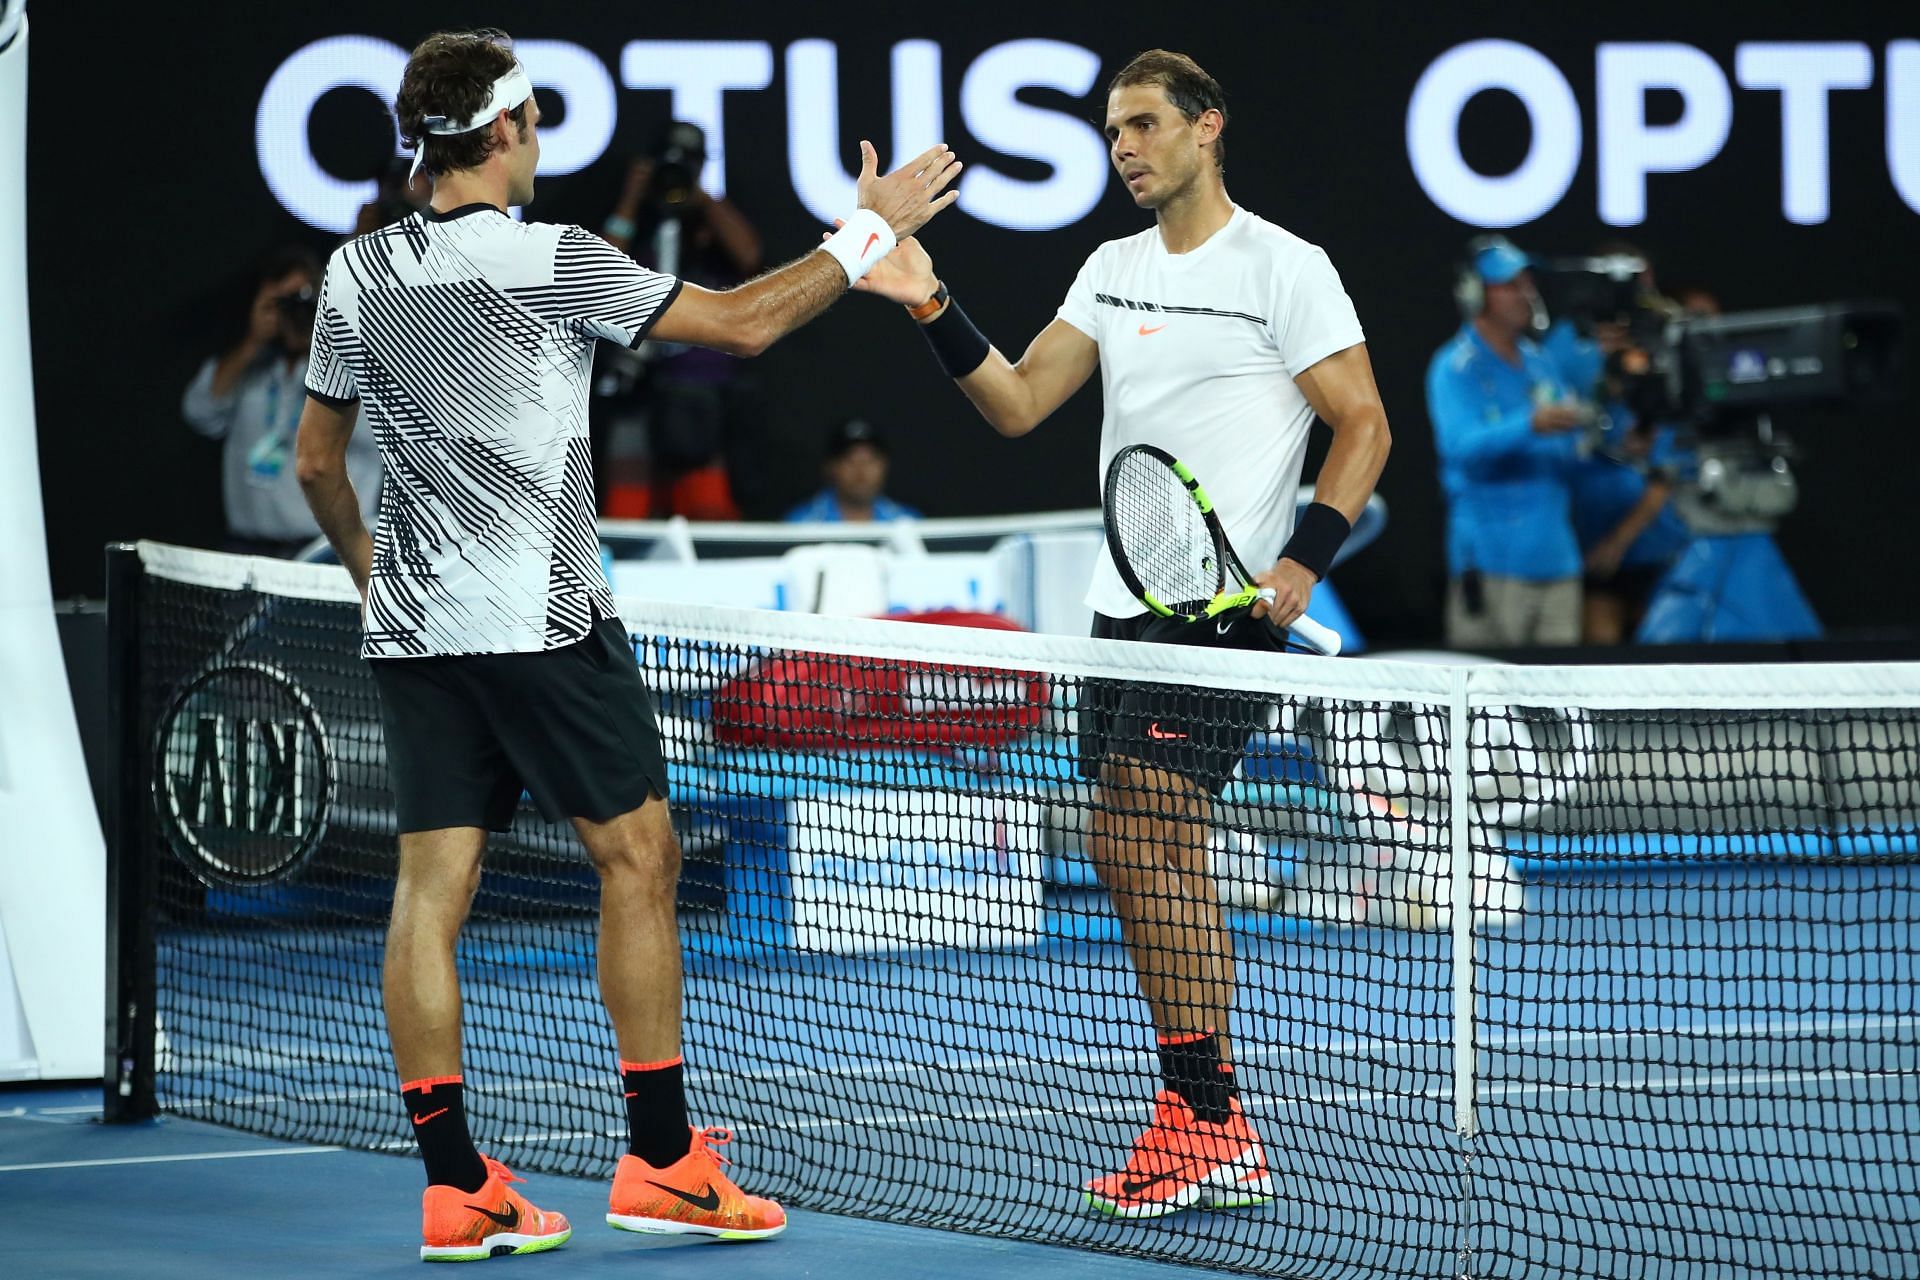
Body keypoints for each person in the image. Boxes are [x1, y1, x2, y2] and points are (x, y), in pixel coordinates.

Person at [291, 27, 959, 1261]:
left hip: (417, 633)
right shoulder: (554, 258)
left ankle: (455, 1187)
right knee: (639, 859)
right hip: (542, 624)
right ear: (499, 133)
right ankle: (662, 1160)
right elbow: (746, 323)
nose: (542, 141)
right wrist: (866, 232)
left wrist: (379, 576)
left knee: (428, 897)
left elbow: (316, 464)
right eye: (534, 119)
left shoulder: (356, 273)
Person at [851, 49, 1390, 1217]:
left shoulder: (1286, 268)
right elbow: (1018, 403)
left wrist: (1306, 559)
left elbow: (1364, 426)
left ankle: (1203, 1115)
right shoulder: (1109, 268)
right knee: (1141, 843)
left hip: (1227, 610)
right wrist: (930, 302)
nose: (1124, 148)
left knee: (1139, 816)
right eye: (1111, 132)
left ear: (1209, 129)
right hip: (1122, 605)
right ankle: (1209, 1113)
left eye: (1144, 125)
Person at [596, 123, 768, 519]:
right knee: (628, 504)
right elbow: (598, 269)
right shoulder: (637, 215)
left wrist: (701, 197)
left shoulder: (711, 214)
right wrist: (632, 198)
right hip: (635, 384)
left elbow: (751, 258)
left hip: (700, 389)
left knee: (707, 507)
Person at [1427, 237, 1586, 648]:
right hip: (1492, 565)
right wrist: (1530, 424)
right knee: (1484, 706)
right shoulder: (1453, 368)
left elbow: (1569, 449)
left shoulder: (1540, 362)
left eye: (1526, 283)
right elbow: (1459, 447)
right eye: (1509, 285)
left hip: (1558, 564)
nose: (1525, 294)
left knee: (1560, 705)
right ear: (1475, 293)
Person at [182, 246, 381, 557]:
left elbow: (380, 438)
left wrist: (331, 337)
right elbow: (199, 411)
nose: (295, 315)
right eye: (283, 304)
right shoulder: (252, 374)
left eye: (303, 302)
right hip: (248, 550)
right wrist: (253, 342)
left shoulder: (354, 371)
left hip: (324, 550)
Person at [784, 419, 921, 522]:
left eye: (870, 461)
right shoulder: (802, 523)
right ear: (831, 467)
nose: (861, 471)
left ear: (884, 466)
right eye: (850, 461)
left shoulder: (907, 522)